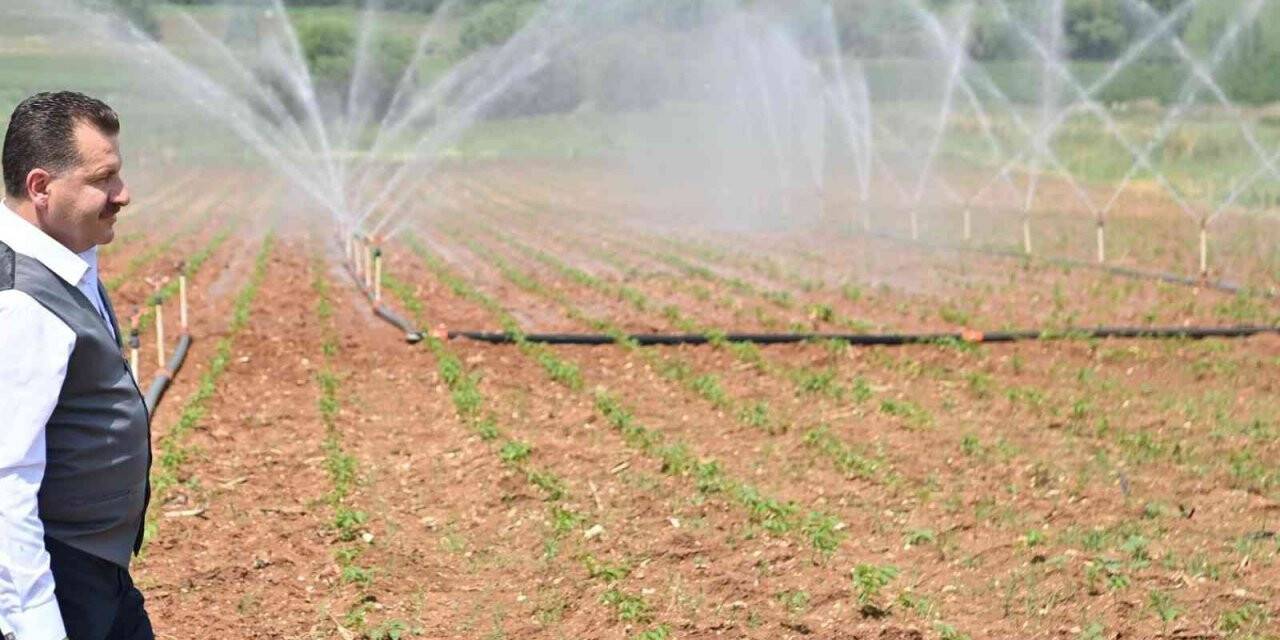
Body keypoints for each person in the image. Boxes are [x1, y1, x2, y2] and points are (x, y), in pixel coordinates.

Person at [0, 91, 152, 640]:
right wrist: (38, 625)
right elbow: (5, 481)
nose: (123, 194)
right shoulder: (19, 301)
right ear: (41, 187)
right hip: (58, 580)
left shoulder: (64, 260)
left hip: (96, 570)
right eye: (103, 178)